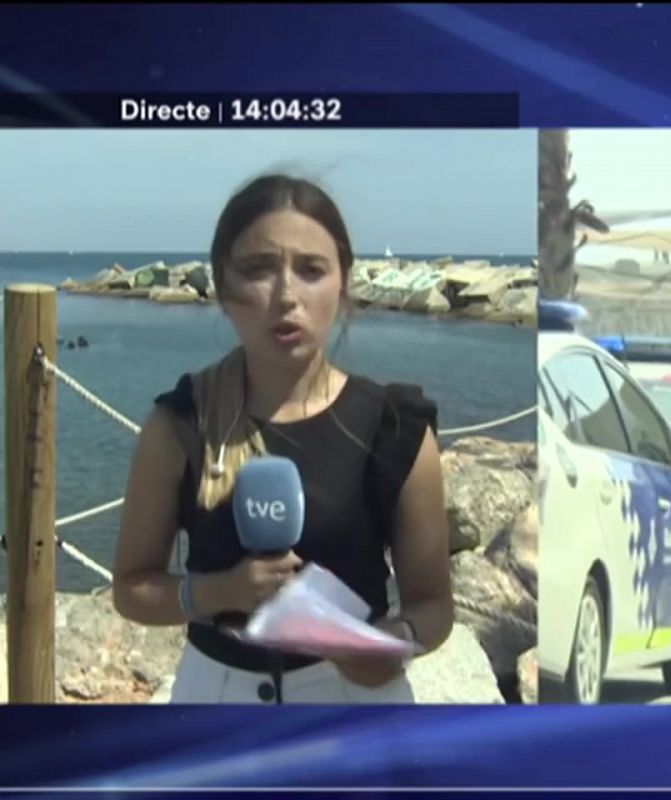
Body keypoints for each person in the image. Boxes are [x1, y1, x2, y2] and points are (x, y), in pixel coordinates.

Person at [111, 174, 454, 703]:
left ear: (343, 283)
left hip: (356, 700)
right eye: (258, 270)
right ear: (224, 290)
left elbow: (434, 606)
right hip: (216, 698)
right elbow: (132, 589)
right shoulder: (179, 425)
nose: (287, 296)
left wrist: (394, 641)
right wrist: (222, 591)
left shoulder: (393, 429)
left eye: (311, 270)